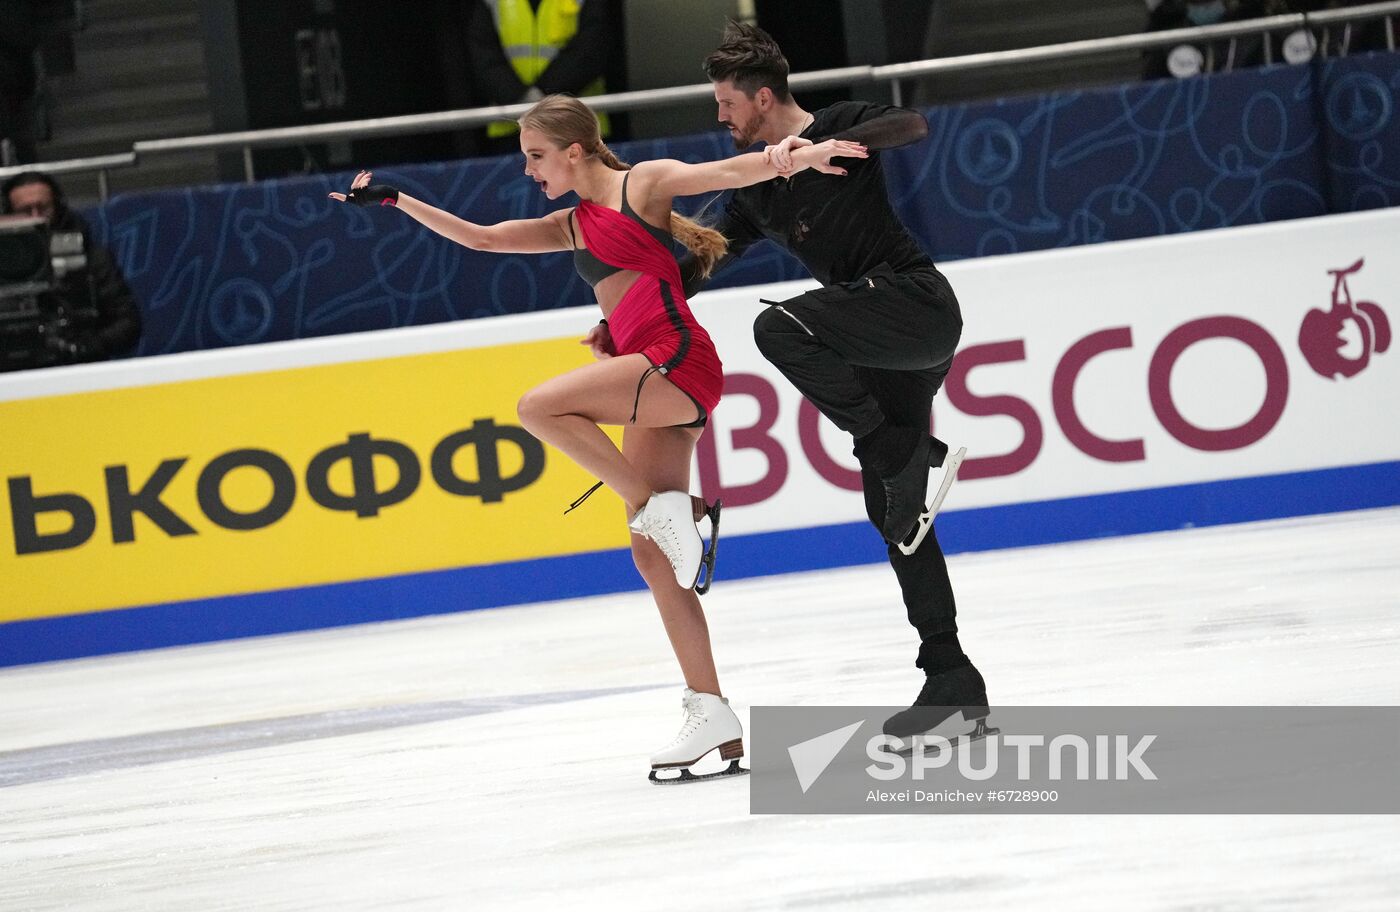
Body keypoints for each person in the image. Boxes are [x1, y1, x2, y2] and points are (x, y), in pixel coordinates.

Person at [329, 94, 866, 781]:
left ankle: (673, 511)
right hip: (645, 371)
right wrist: (401, 202)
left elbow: (727, 175)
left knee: (538, 407)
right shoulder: (571, 224)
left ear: (574, 150)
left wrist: (802, 155)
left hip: (675, 359)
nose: (528, 170)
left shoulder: (639, 185)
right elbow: (484, 238)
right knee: (653, 560)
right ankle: (712, 712)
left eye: (536, 156)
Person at [682, 21, 989, 747]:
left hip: (913, 304)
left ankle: (892, 445)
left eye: (727, 103)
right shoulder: (759, 186)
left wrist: (815, 151)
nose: (720, 116)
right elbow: (706, 260)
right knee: (896, 512)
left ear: (761, 98)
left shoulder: (842, 127)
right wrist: (632, 311)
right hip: (876, 340)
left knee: (778, 327)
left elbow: (908, 123)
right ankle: (951, 678)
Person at [1, 171, 142, 371]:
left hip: (78, 369)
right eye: (25, 211)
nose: (35, 218)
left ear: (58, 207)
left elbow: (128, 323)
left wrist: (86, 347)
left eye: (43, 208)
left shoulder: (92, 258)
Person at [465, 0, 614, 151]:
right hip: (512, 128)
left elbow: (592, 49)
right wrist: (523, 98)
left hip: (576, 126)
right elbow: (483, 56)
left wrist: (541, 99)